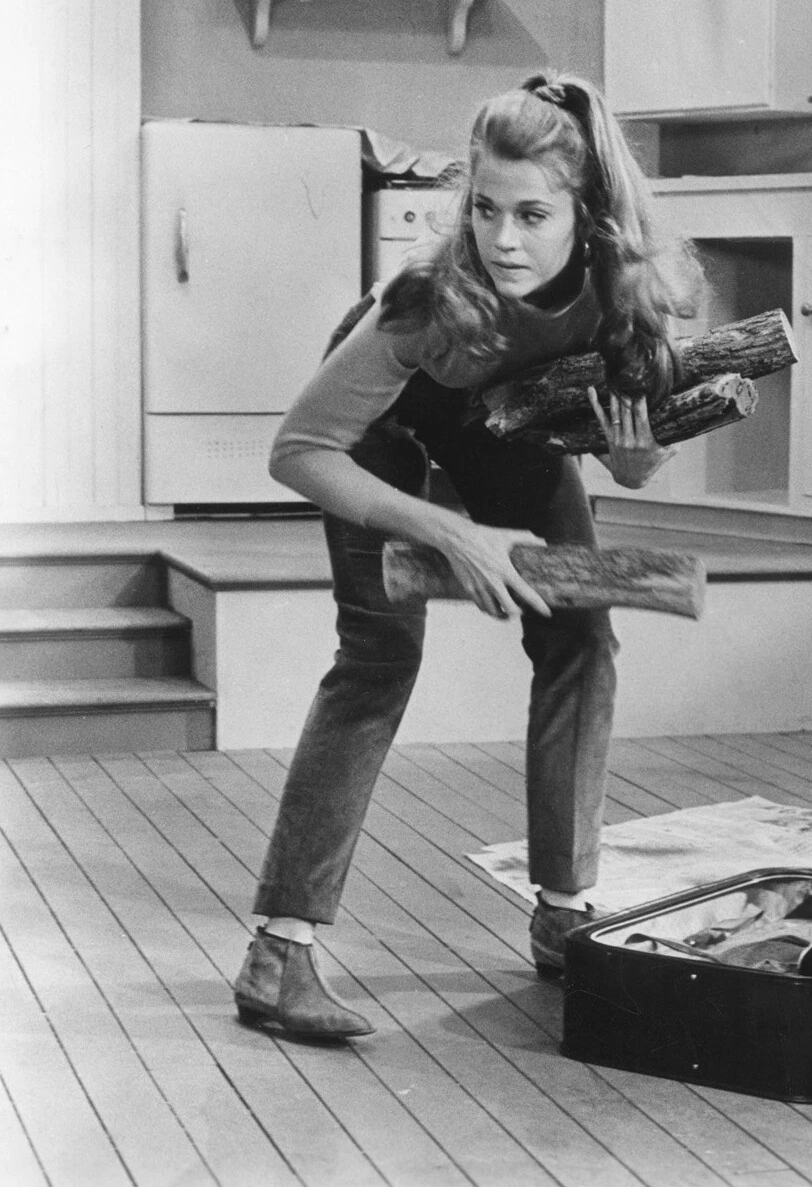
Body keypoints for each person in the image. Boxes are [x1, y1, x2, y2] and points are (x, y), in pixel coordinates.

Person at [233, 71, 702, 1038]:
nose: (502, 240)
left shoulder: (625, 294)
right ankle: (278, 954)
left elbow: (635, 453)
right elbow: (299, 451)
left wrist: (634, 459)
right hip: (378, 435)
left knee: (579, 637)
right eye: (485, 209)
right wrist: (449, 529)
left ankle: (563, 912)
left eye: (532, 215)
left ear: (588, 214)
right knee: (378, 657)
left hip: (503, 424)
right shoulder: (426, 298)